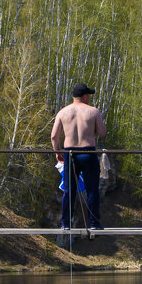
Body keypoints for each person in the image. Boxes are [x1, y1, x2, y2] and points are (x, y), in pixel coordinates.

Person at [51, 83, 107, 231]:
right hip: (88, 152)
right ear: (84, 96)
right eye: (88, 95)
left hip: (70, 153)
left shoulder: (63, 112)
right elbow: (102, 132)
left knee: (69, 190)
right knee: (92, 190)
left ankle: (65, 224)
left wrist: (57, 152)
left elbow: (53, 136)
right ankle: (94, 224)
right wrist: (91, 130)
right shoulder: (93, 111)